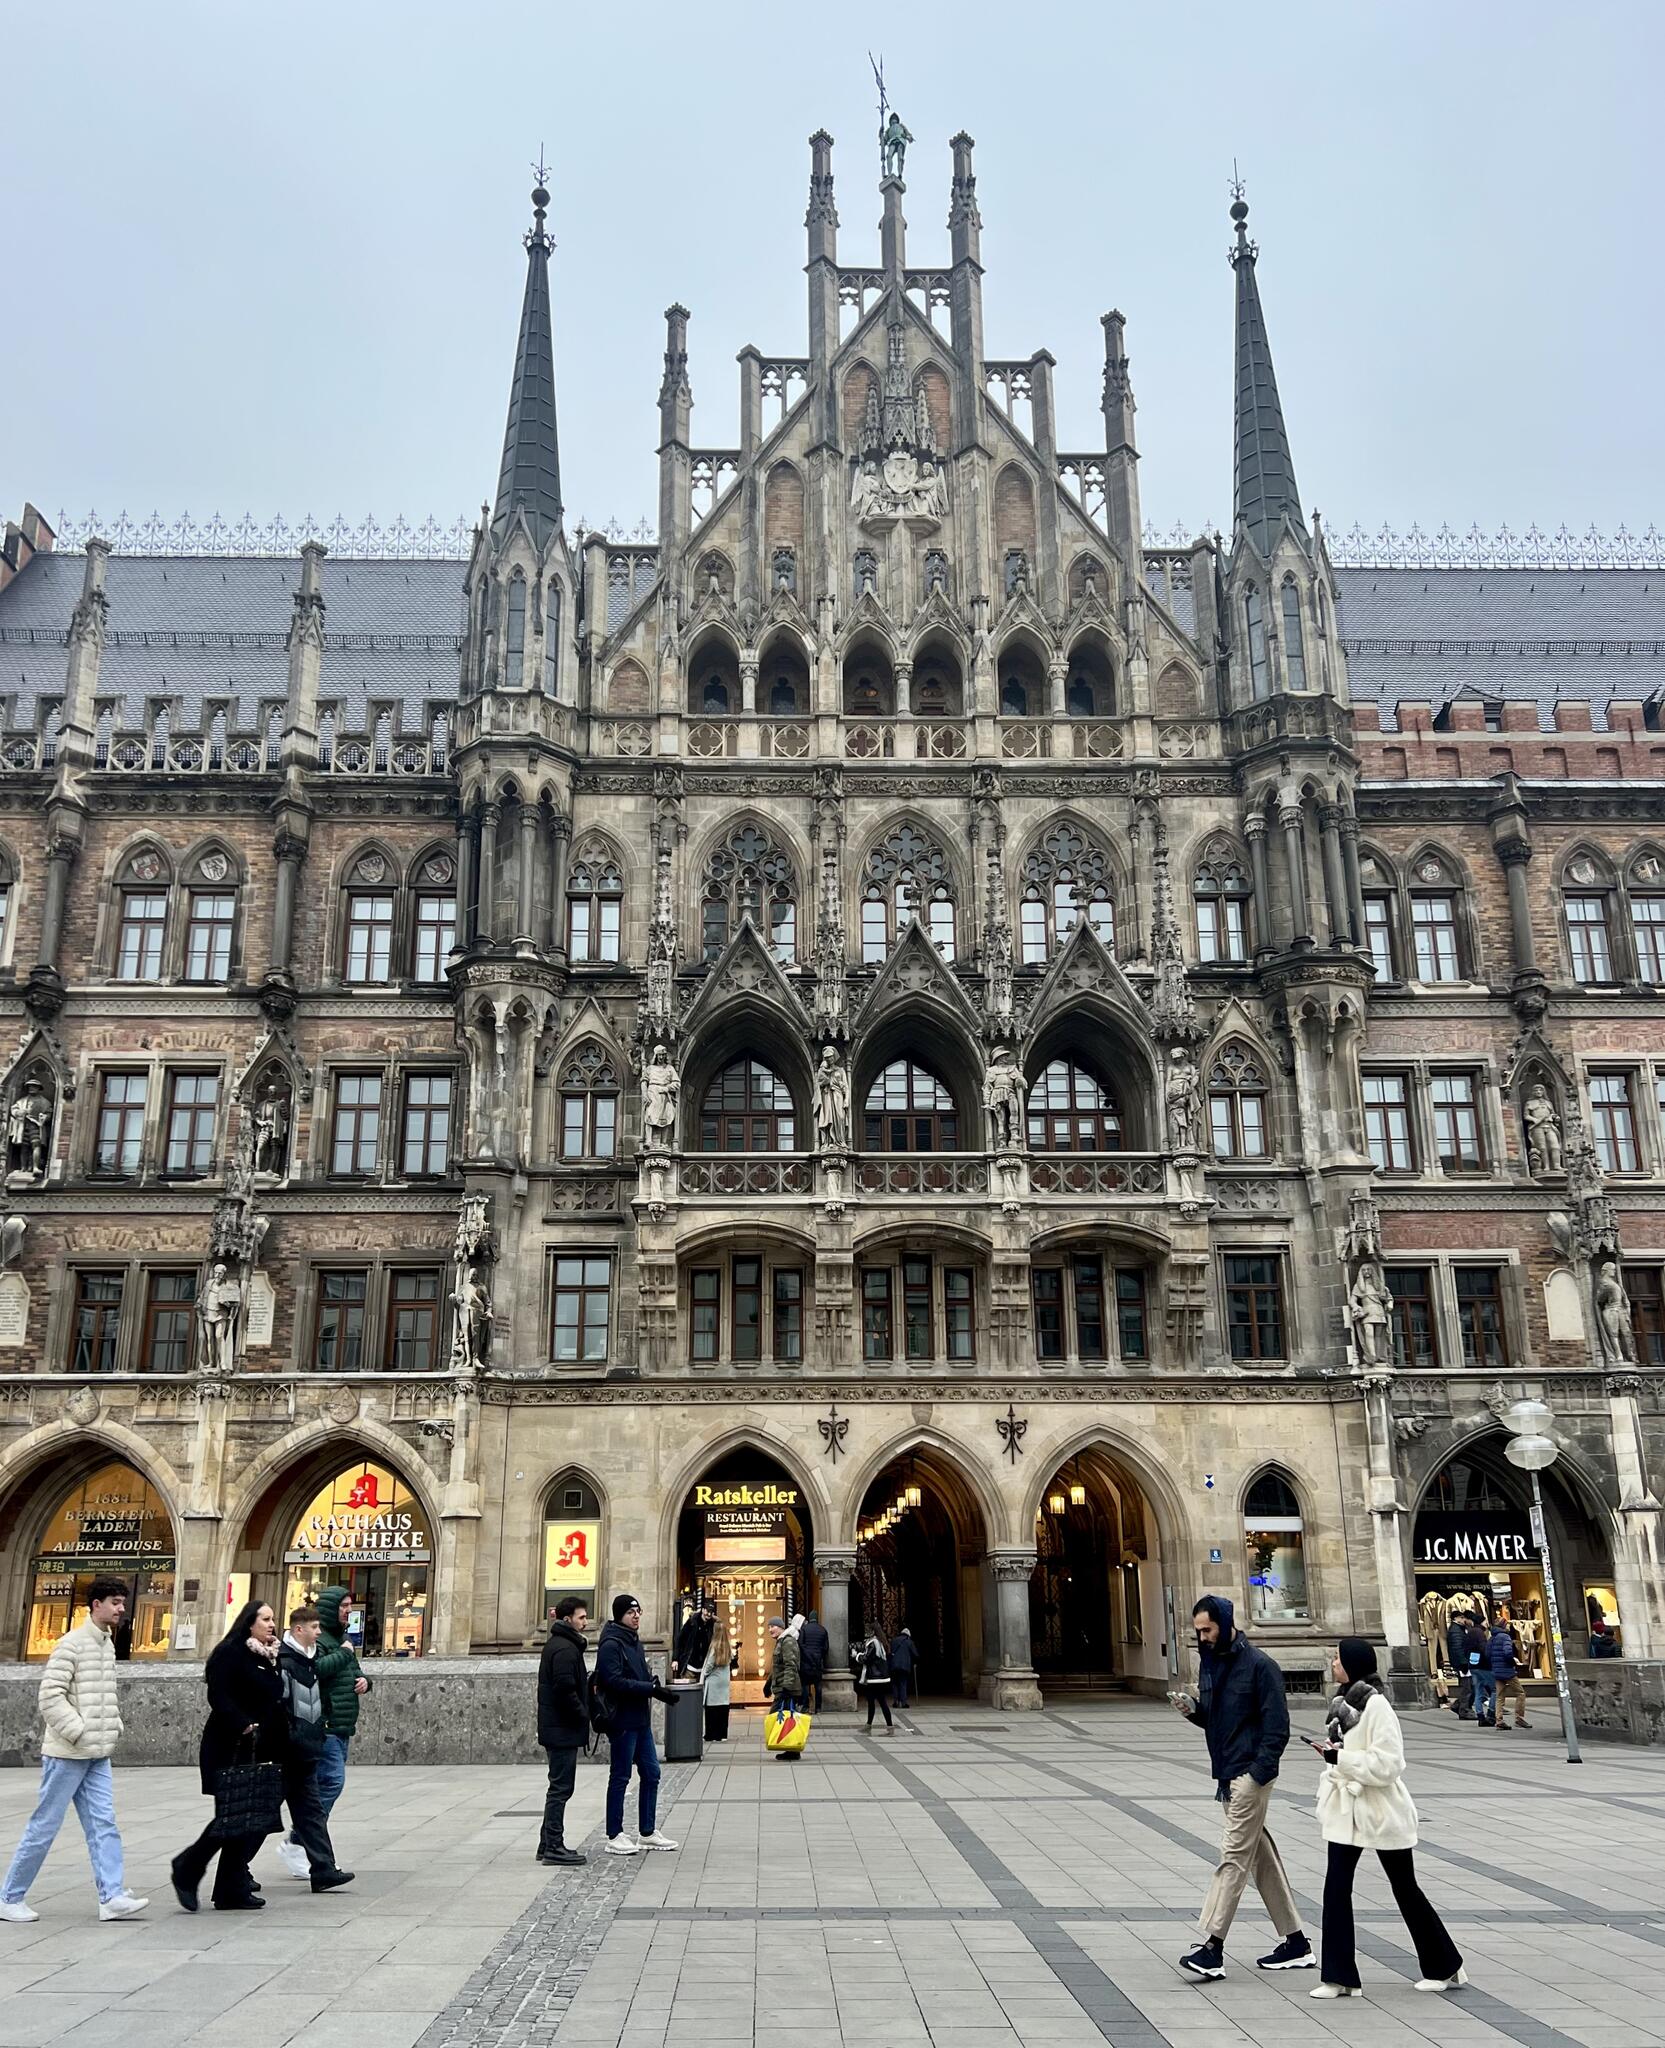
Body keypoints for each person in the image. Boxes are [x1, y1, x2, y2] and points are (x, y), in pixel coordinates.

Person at [1305, 1638, 1466, 1999]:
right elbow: (1346, 1752)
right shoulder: (1340, 1704)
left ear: (1353, 1664)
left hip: (1380, 1810)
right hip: (1347, 1810)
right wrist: (1333, 1756)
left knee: (1405, 1888)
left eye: (1337, 1658)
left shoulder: (1377, 1706)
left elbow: (1390, 1764)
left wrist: (1341, 1760)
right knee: (1335, 1888)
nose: (1332, 1663)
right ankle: (1339, 1977)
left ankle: (1444, 1965)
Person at [1173, 1594, 1313, 1980]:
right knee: (1259, 1857)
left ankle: (1212, 1947)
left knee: (1233, 1855)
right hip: (1226, 1773)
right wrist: (1194, 1712)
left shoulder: (1260, 1666)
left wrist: (1258, 1774)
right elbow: (1216, 1721)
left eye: (1207, 1629)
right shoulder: (1210, 1663)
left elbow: (1277, 1728)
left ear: (1224, 1622)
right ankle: (1297, 1943)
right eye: (1198, 1630)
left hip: (1249, 1775)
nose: (1202, 1636)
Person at [0, 1576, 148, 1923]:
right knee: (45, 1825)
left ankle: (111, 1896)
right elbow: (50, 1697)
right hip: (67, 1754)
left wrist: (112, 1727)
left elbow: (102, 1695)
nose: (121, 1609)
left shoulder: (106, 1643)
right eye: (115, 1602)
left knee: (104, 1823)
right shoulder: (71, 1644)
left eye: (122, 1602)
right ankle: (9, 1897)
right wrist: (79, 1732)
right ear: (96, 1605)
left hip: (97, 1753)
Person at [172, 1599, 290, 1911]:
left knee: (247, 1821)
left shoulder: (267, 1656)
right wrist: (243, 1724)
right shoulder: (231, 1651)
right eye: (265, 1618)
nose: (271, 1624)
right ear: (249, 1621)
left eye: (273, 1619)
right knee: (231, 1818)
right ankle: (187, 1867)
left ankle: (229, 1889)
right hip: (231, 1745)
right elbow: (218, 1694)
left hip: (260, 1748)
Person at [277, 1583, 370, 1877]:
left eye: (349, 1605)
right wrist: (344, 1653)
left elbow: (351, 1671)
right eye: (344, 1606)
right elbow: (315, 1669)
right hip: (326, 1723)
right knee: (331, 1782)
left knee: (319, 1786)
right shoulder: (322, 1639)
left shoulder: (341, 1638)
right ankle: (300, 1840)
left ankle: (305, 1845)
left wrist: (365, 1680)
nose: (349, 1611)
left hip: (342, 1725)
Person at [594, 1593, 679, 1856]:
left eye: (638, 1611)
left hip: (640, 1720)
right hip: (621, 1719)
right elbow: (613, 1681)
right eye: (631, 1612)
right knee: (620, 1776)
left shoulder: (634, 1642)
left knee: (652, 1773)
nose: (636, 1616)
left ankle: (647, 1832)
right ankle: (614, 1834)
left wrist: (652, 1685)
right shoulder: (611, 1644)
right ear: (620, 1615)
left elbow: (637, 1674)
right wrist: (649, 1689)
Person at [537, 1595, 591, 1865]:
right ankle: (553, 1846)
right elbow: (564, 1689)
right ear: (567, 1619)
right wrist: (583, 1715)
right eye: (581, 1617)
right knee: (560, 1788)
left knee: (557, 1786)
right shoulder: (565, 1649)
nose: (585, 1622)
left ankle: (546, 1843)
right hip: (562, 1728)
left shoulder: (560, 1645)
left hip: (558, 1727)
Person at [765, 1617, 804, 1760]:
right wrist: (768, 1684)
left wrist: (786, 1687)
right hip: (782, 1687)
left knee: (783, 1717)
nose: (770, 1630)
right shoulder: (781, 1641)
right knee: (783, 1718)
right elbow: (777, 1667)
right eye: (769, 1627)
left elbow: (790, 1665)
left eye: (773, 1626)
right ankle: (790, 1748)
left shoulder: (787, 1642)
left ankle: (792, 1750)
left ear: (781, 1627)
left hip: (788, 1689)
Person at [1486, 1613, 1532, 1731]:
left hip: (1496, 1670)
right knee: (1520, 1693)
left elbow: (1487, 1653)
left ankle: (1499, 1720)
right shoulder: (1505, 1637)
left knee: (1500, 1696)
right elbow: (1507, 1653)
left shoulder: (1492, 1637)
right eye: (1507, 1625)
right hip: (1507, 1670)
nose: (1508, 1627)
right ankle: (1519, 1718)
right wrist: (1512, 1662)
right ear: (1503, 1626)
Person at [698, 1615, 732, 1743]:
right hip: (724, 1681)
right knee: (723, 1707)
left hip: (713, 1681)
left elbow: (709, 1666)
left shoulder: (714, 1647)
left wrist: (703, 1676)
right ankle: (722, 1733)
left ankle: (711, 1734)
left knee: (712, 1709)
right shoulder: (727, 1646)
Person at [855, 1630, 893, 1733]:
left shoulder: (873, 1643)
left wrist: (857, 1656)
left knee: (876, 1702)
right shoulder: (880, 1642)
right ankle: (874, 1725)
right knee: (877, 1701)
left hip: (874, 1678)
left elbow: (867, 1659)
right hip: (880, 1678)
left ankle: (887, 1727)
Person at [1446, 1609, 1481, 1721]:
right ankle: (1464, 1710)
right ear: (1455, 1619)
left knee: (1470, 1686)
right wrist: (1463, 1663)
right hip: (1463, 1663)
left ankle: (1458, 1706)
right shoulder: (1456, 1631)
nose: (1463, 1619)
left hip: (1464, 1662)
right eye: (1461, 1618)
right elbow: (1458, 1648)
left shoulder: (1459, 1629)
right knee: (1468, 1687)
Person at [673, 1598, 715, 1680]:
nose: (709, 1614)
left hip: (705, 1669)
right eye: (707, 1611)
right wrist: (675, 1659)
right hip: (689, 1668)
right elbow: (679, 1639)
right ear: (702, 1610)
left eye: (711, 1612)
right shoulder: (692, 1622)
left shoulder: (712, 1625)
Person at [800, 1609, 829, 1715]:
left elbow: (801, 1645)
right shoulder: (823, 1630)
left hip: (806, 1662)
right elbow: (826, 1647)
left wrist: (807, 1656)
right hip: (818, 1662)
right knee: (818, 1686)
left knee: (805, 1685)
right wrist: (819, 1656)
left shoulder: (804, 1629)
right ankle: (818, 1707)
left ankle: (806, 1706)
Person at [888, 1627, 918, 1710]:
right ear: (908, 1635)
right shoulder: (909, 1642)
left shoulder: (893, 1641)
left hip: (893, 1665)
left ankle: (896, 1701)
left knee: (894, 1683)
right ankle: (904, 1702)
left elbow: (889, 1652)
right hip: (904, 1666)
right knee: (903, 1683)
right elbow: (915, 1654)